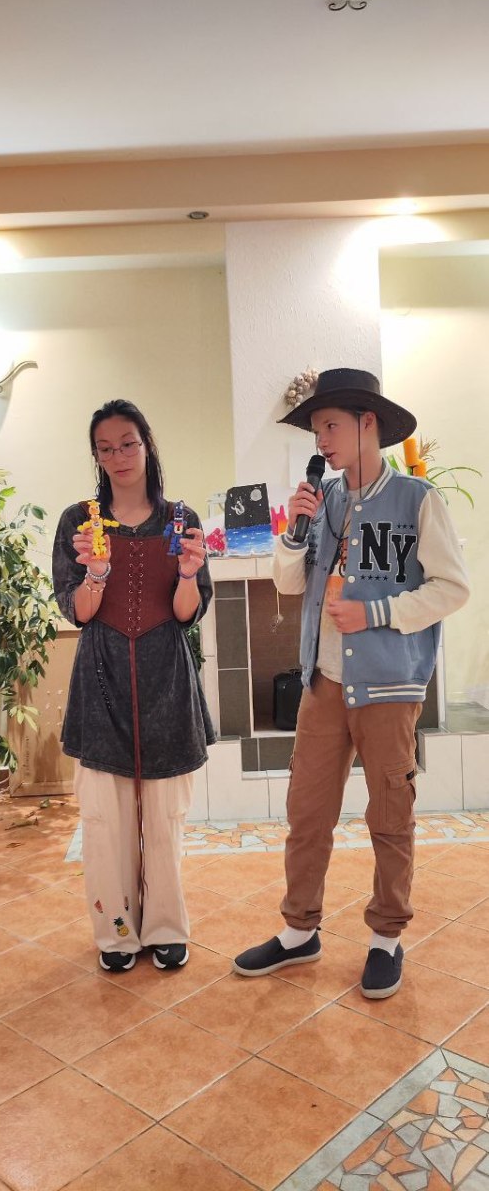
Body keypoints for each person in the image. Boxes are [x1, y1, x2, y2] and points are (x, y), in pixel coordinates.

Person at [234, 368, 469, 998]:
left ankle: (386, 938)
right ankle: (298, 931)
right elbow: (288, 583)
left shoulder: (417, 499)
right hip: (323, 684)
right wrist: (294, 529)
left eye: (330, 426)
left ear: (369, 423)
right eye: (316, 429)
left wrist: (378, 613)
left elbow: (453, 588)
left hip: (389, 687)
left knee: (390, 815)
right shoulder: (326, 500)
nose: (321, 441)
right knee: (306, 812)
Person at [53, 400, 215, 973]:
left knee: (165, 818)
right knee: (105, 821)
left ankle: (167, 928)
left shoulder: (179, 518)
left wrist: (189, 574)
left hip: (166, 675)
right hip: (101, 677)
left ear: (147, 444)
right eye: (106, 448)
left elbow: (187, 612)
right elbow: (77, 611)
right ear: (96, 456)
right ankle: (117, 934)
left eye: (128, 443)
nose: (119, 456)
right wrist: (96, 572)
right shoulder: (80, 520)